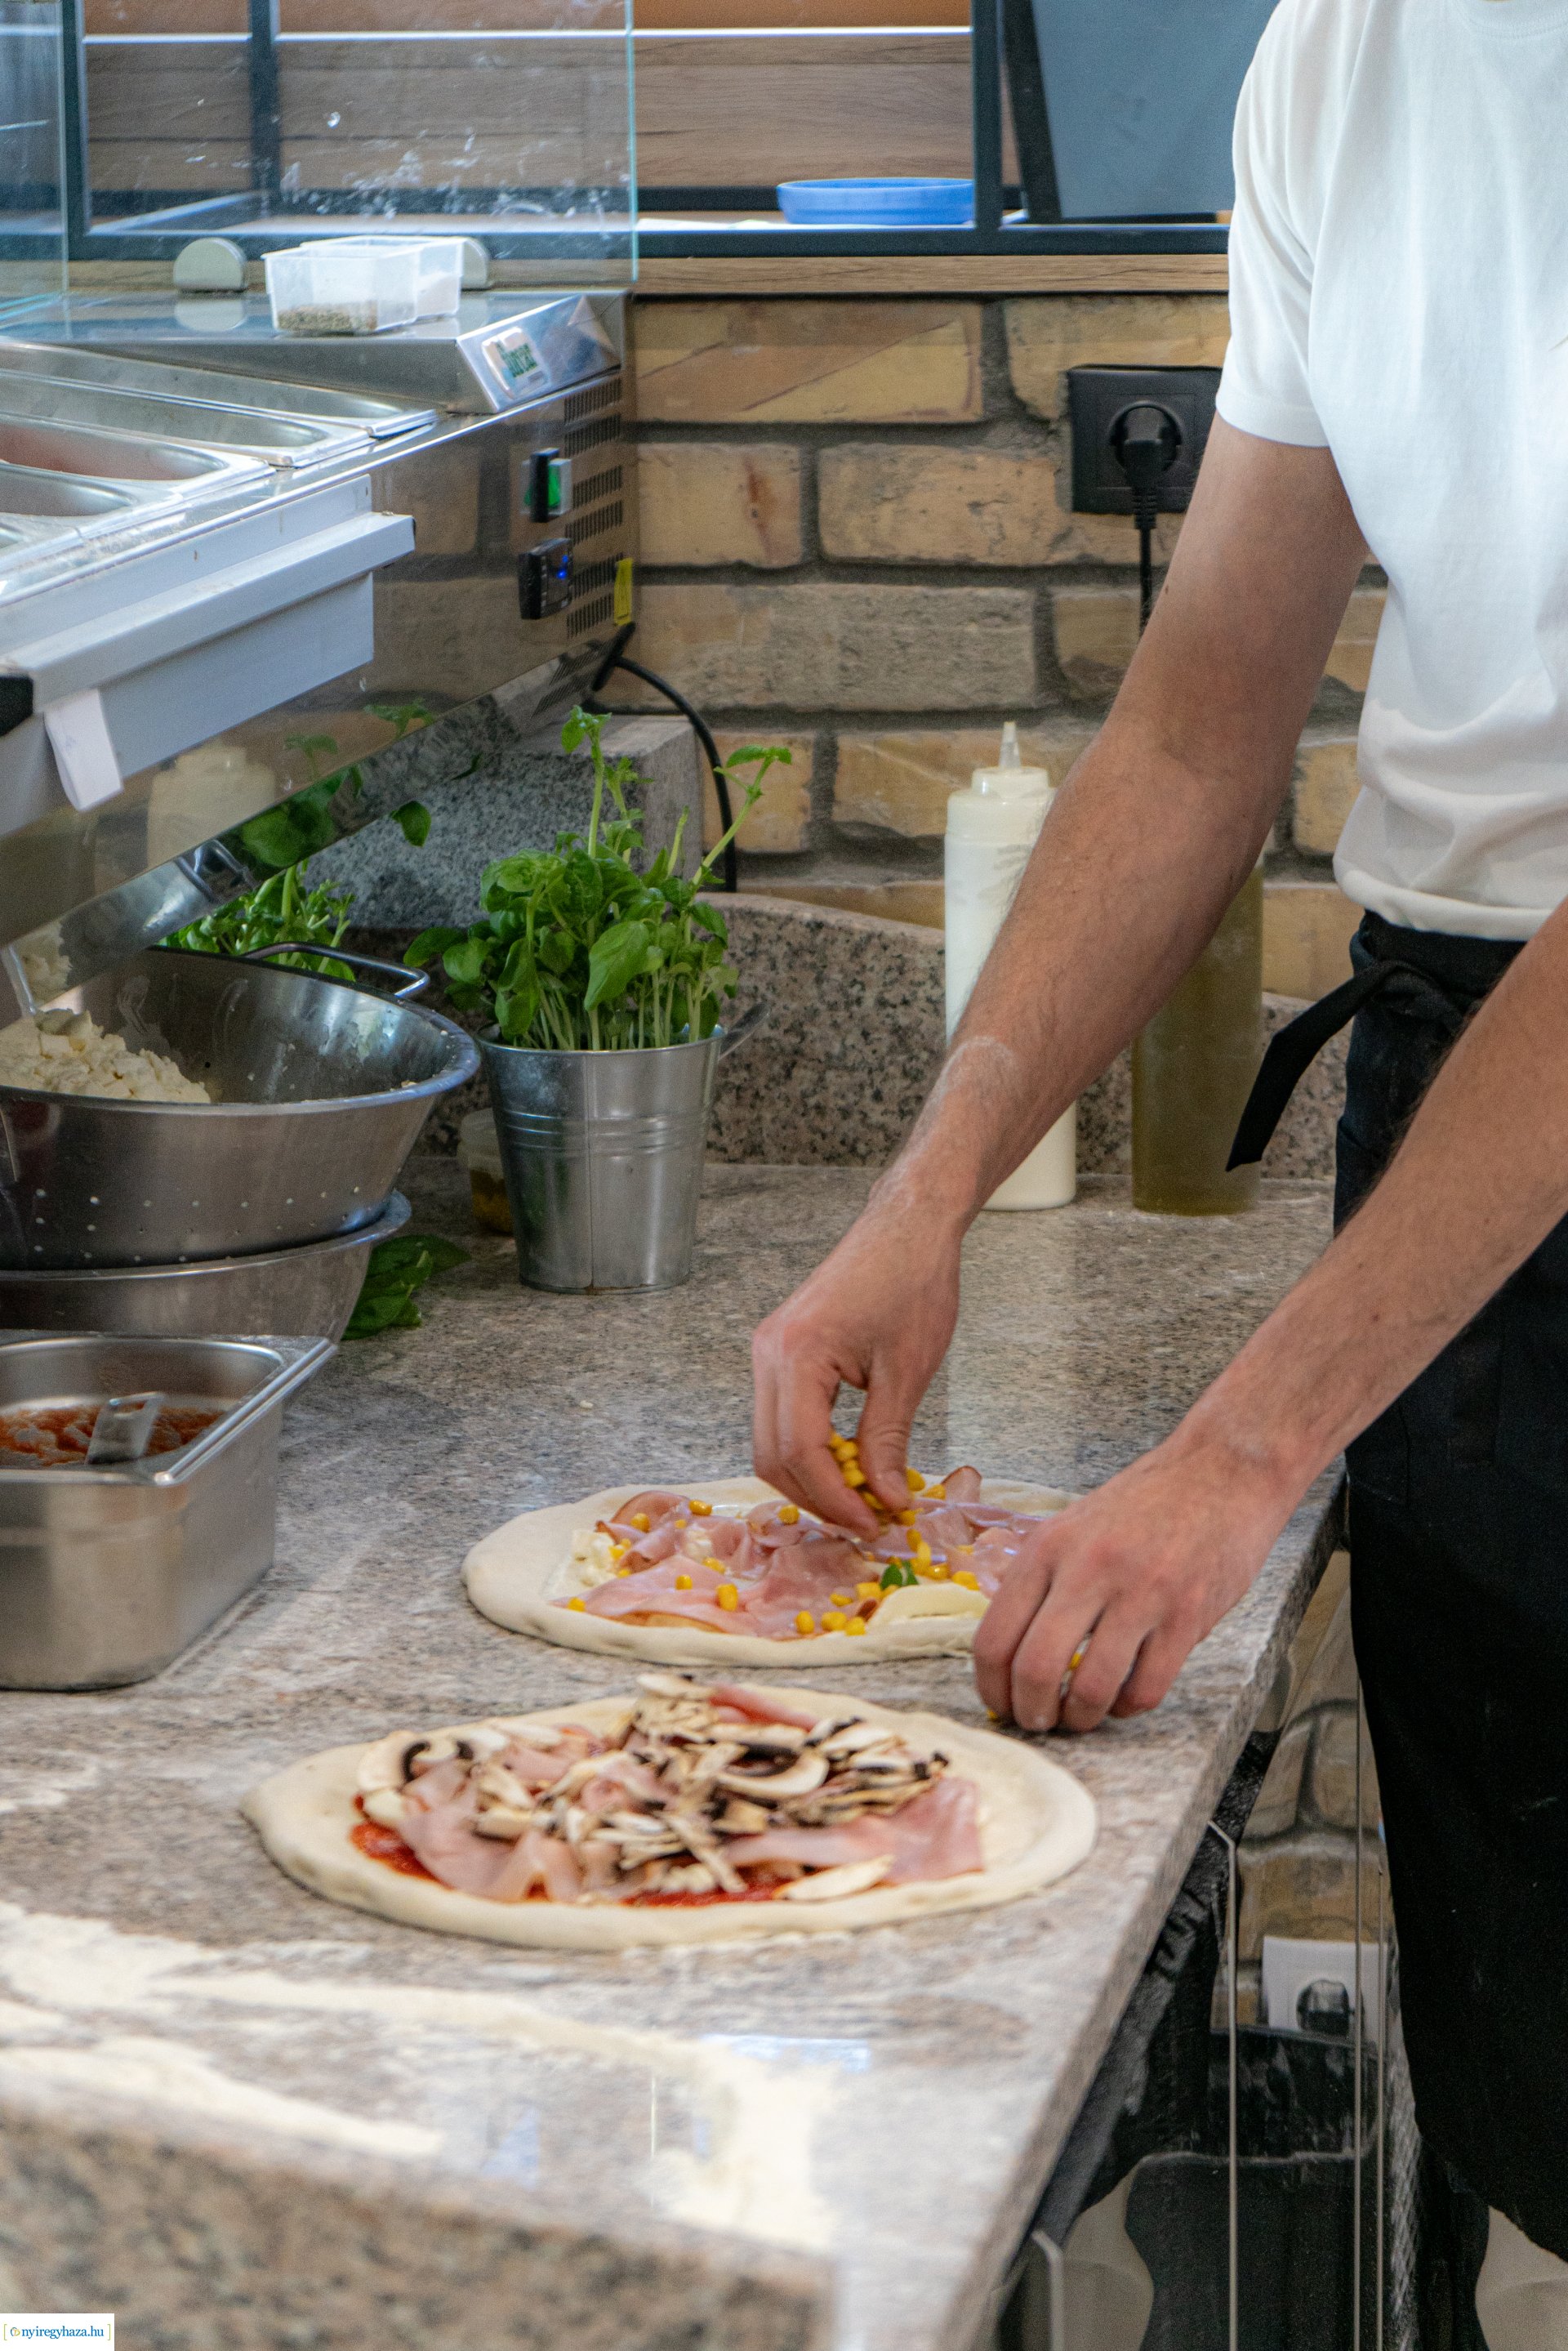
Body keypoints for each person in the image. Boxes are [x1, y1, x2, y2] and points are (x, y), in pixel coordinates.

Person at [751, 0, 1568, 2322]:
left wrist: (1243, 1442)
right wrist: (925, 1202)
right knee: (1532, 2050)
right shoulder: (1345, 53)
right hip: (1463, 1111)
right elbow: (1210, 700)